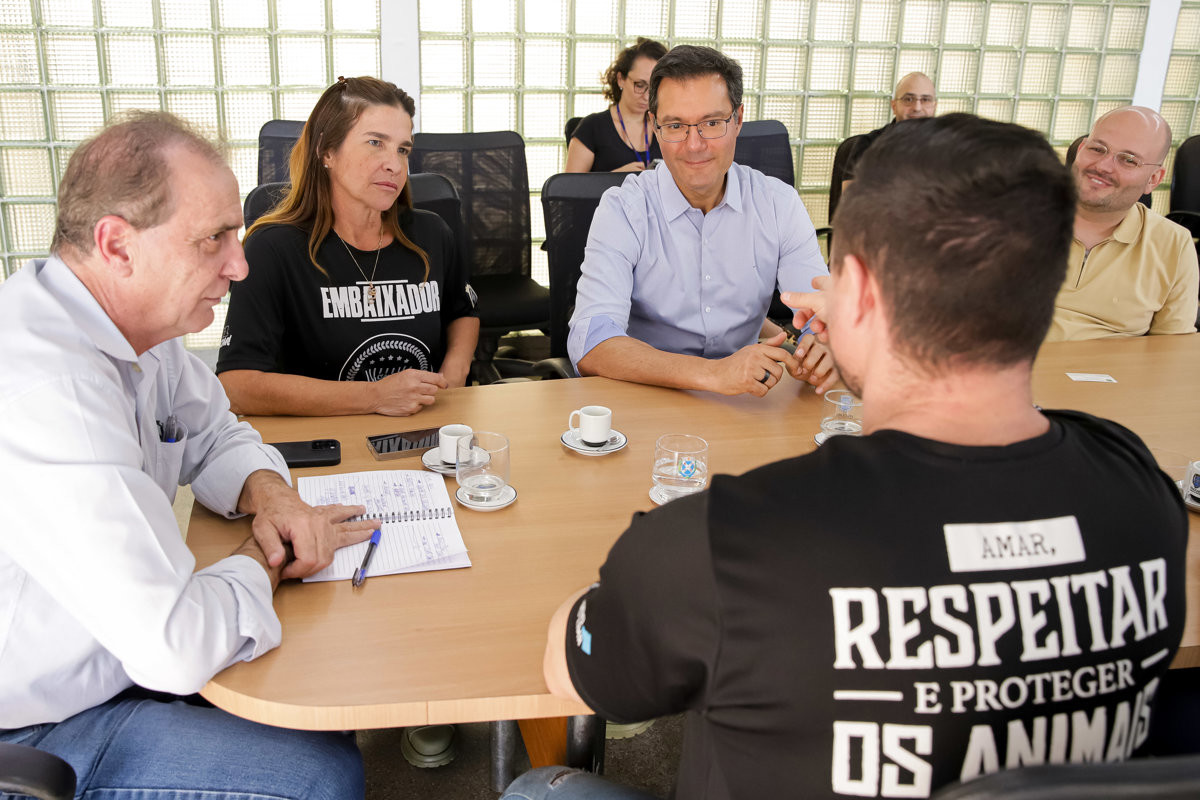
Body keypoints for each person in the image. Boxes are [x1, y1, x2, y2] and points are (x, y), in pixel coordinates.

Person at [506, 114, 1188, 800]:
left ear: (857, 293)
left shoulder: (727, 541)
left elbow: (575, 677)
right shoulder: (1139, 487)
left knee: (542, 789)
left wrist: (625, 576)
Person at [0, 112, 376, 799]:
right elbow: (173, 645)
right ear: (117, 245)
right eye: (214, 240)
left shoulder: (138, 328)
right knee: (320, 777)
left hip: (111, 647)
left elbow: (215, 431)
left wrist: (273, 495)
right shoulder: (49, 392)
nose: (239, 264)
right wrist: (270, 559)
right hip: (32, 727)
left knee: (322, 684)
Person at [567, 45, 835, 396]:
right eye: (676, 125)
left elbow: (822, 311)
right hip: (645, 398)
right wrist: (713, 373)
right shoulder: (623, 210)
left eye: (712, 123)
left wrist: (825, 344)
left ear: (738, 120)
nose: (695, 145)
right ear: (654, 127)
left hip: (745, 404)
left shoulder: (778, 204)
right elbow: (591, 341)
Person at [217, 76, 479, 416]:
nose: (395, 164)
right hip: (329, 440)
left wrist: (452, 378)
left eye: (403, 149)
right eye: (375, 143)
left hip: (427, 433)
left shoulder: (432, 232)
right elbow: (236, 385)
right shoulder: (272, 248)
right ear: (327, 150)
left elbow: (462, 312)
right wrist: (375, 397)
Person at [1048, 106, 1199, 341]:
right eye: (1097, 149)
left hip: (1116, 374)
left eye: (1129, 160)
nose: (1103, 166)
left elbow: (1172, 348)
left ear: (1154, 180)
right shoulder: (1003, 217)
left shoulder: (1173, 244)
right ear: (1080, 151)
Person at [566, 37, 667, 173]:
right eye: (640, 85)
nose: (647, 96)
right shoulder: (592, 128)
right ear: (621, 79)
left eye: (654, 87)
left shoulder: (665, 127)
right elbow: (567, 190)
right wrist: (614, 178)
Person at [840, 71, 937, 189]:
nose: (917, 108)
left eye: (925, 100)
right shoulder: (868, 146)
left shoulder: (949, 148)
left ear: (934, 106)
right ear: (894, 106)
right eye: (908, 99)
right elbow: (852, 201)